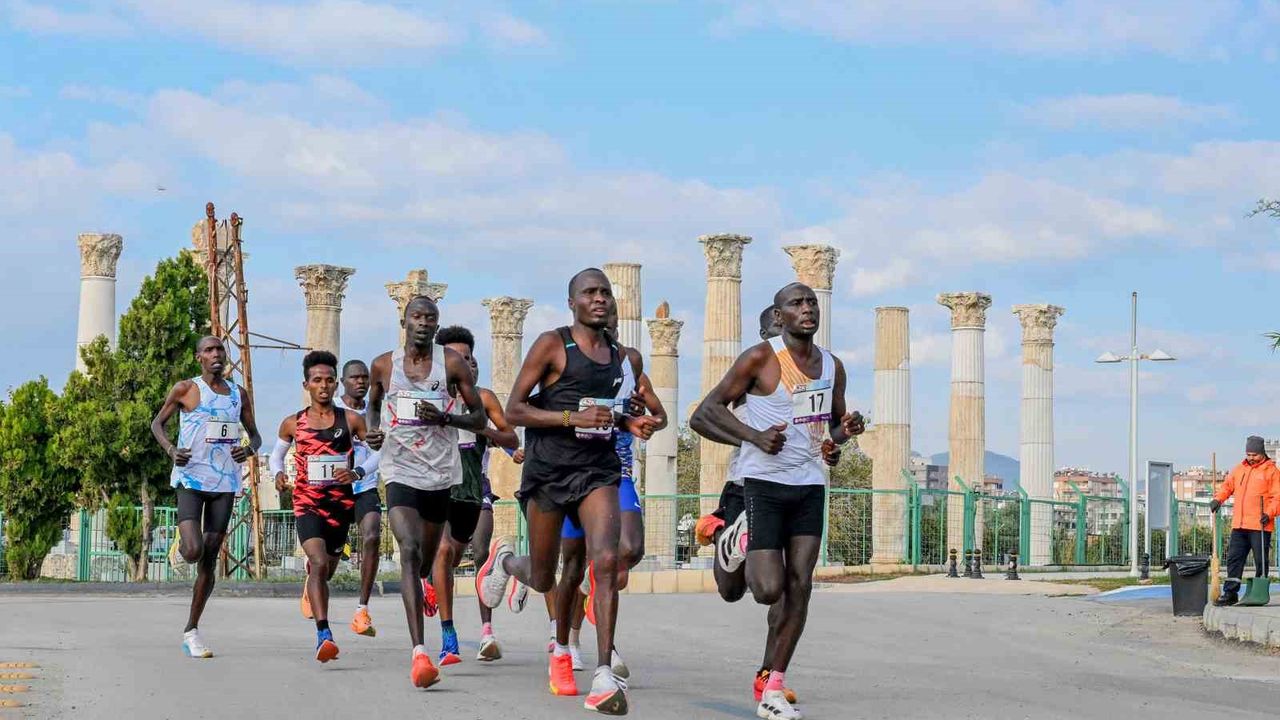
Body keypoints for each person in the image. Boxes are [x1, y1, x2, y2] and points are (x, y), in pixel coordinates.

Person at [474, 268, 658, 715]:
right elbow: (515, 410)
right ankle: (505, 563)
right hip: (549, 472)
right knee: (544, 577)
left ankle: (603, 674)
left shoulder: (620, 356)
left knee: (606, 561)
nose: (600, 299)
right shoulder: (553, 344)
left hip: (598, 470)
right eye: (590, 293)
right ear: (572, 303)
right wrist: (570, 419)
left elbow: (608, 411)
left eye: (605, 292)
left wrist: (630, 422)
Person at [691, 283, 864, 720]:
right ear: (779, 315)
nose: (807, 309)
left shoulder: (833, 366)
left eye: (812, 302)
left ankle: (772, 684)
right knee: (767, 589)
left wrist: (840, 438)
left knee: (799, 585)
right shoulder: (760, 358)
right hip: (762, 484)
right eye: (796, 303)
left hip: (809, 485)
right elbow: (703, 414)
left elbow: (829, 430)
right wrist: (754, 437)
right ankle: (731, 539)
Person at [367, 296, 487, 689]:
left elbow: (478, 417)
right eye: (416, 316)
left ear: (437, 325)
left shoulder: (450, 364)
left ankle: (425, 582)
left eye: (430, 318)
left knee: (424, 562)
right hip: (399, 469)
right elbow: (372, 405)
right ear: (404, 321)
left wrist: (446, 417)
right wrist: (373, 431)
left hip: (439, 472)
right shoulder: (383, 365)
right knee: (409, 548)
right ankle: (420, 652)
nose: (423, 322)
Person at [554, 307, 666, 679]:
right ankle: (569, 641)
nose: (608, 332)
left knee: (628, 549)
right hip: (572, 473)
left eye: (613, 326)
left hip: (617, 471)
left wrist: (644, 419)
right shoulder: (567, 362)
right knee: (572, 566)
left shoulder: (629, 364)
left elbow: (660, 415)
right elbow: (545, 409)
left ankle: (602, 646)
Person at [150, 335, 262, 659]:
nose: (216, 354)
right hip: (191, 478)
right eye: (209, 350)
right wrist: (171, 450)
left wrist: (248, 450)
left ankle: (192, 630)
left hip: (225, 482)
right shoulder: (186, 389)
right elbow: (157, 424)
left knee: (209, 558)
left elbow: (255, 436)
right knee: (193, 550)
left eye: (219, 349)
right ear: (199, 357)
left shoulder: (239, 395)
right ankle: (182, 544)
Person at [269, 350, 382, 662]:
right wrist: (277, 474)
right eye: (317, 380)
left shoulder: (351, 420)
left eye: (329, 380)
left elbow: (379, 452)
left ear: (336, 385)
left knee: (327, 570)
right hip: (307, 503)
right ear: (306, 384)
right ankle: (324, 634)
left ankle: (314, 582)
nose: (323, 385)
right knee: (319, 563)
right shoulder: (293, 423)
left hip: (340, 506)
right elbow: (276, 456)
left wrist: (358, 472)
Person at [427, 326, 519, 665]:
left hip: (473, 488)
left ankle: (486, 632)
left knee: (479, 551)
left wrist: (480, 428)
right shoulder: (429, 397)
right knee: (444, 553)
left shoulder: (484, 398)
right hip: (437, 486)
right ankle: (448, 634)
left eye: (467, 358)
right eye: (455, 358)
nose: (462, 363)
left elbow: (510, 439)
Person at [332, 359, 383, 638]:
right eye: (354, 377)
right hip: (334, 489)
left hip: (365, 485)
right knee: (331, 554)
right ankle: (313, 574)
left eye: (365, 377)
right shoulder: (332, 409)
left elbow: (382, 450)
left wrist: (360, 471)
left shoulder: (376, 412)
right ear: (343, 382)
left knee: (372, 536)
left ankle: (362, 609)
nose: (361, 382)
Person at [1211, 435, 1280, 606]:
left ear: (1262, 453)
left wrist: (1269, 513)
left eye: (1254, 455)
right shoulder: (1239, 469)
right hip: (1239, 525)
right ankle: (1230, 593)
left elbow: (1277, 497)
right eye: (1248, 454)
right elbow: (1227, 486)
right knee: (1234, 559)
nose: (1251, 457)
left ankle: (1258, 593)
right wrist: (1218, 499)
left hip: (1260, 525)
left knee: (1260, 560)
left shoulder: (1271, 471)